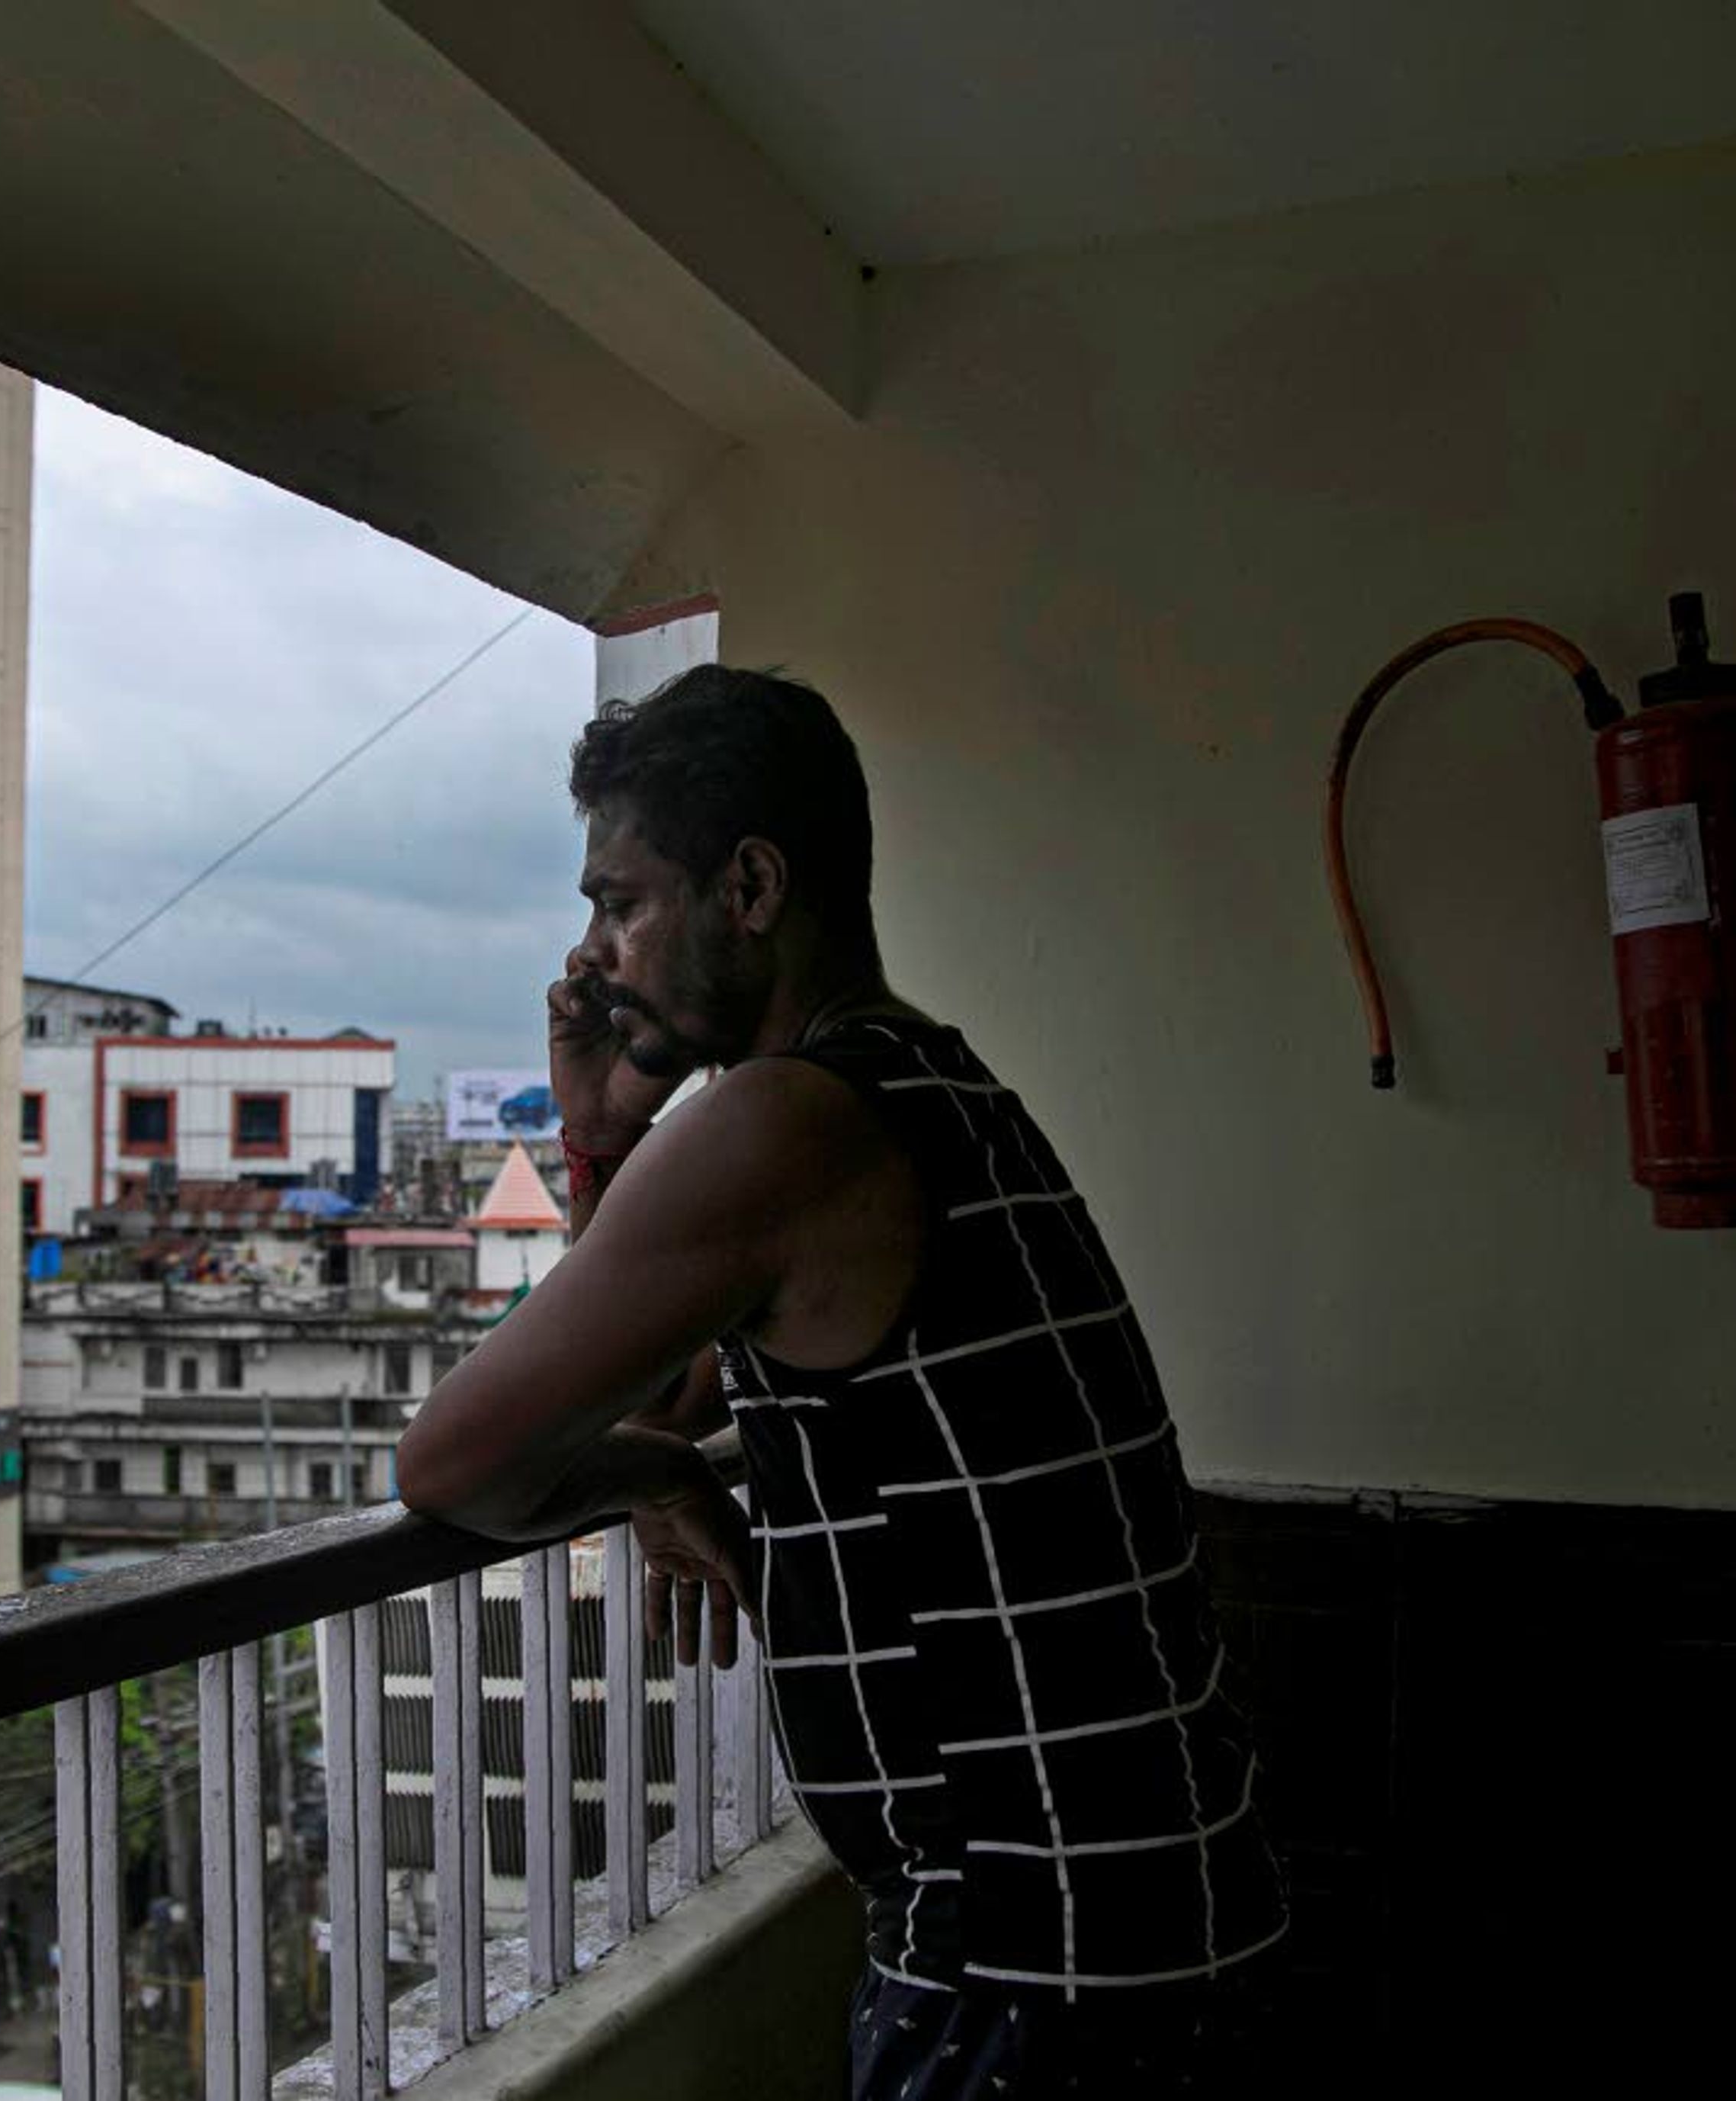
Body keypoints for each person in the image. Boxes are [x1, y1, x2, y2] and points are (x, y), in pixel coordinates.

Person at [396, 667, 1286, 2098]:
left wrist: (656, 1477)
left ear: (749, 886)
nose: (592, 955)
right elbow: (676, 1387)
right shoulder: (921, 1077)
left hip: (1039, 1959)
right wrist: (601, 1130)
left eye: (619, 901)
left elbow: (454, 1463)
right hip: (1129, 1906)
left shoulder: (782, 1126)